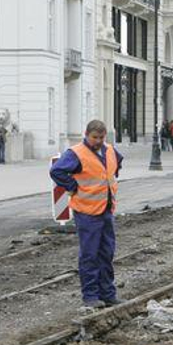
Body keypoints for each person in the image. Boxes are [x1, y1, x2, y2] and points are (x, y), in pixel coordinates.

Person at [50, 120, 124, 309]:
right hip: (86, 212)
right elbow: (56, 171)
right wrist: (72, 186)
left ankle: (108, 294)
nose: (98, 141)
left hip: (106, 209)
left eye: (101, 137)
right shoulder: (76, 153)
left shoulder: (109, 150)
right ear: (86, 135)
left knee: (106, 253)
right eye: (94, 138)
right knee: (90, 254)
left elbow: (117, 164)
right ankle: (90, 295)